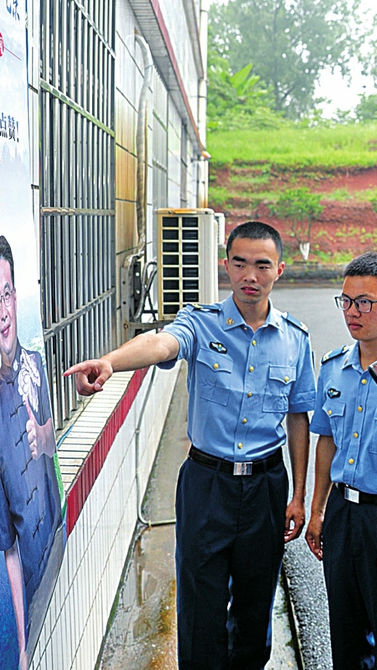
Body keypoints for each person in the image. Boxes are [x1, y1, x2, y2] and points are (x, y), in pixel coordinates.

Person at [65, 221, 316, 670]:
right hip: (207, 483)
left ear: (280, 269)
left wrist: (298, 494)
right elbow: (160, 344)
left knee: (256, 605)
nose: (250, 276)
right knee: (201, 603)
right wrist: (109, 362)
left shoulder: (296, 340)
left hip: (266, 486)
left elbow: (298, 416)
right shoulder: (201, 323)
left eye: (262, 265)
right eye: (239, 263)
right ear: (226, 265)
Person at [305, 252, 377, 670]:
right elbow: (326, 441)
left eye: (366, 302)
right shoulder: (334, 368)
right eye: (346, 301)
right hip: (342, 516)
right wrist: (317, 510)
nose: (353, 312)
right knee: (344, 630)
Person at [0, 235, 63, 670]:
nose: (2, 311)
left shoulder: (36, 366)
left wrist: (46, 438)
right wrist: (22, 644)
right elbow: (7, 545)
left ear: (18, 298)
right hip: (33, 580)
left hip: (56, 547)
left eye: (7, 295)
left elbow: (49, 448)